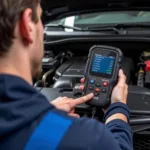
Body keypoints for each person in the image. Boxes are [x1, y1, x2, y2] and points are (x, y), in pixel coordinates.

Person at [0, 0, 133, 150]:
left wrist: (46, 112)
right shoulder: (88, 140)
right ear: (27, 25)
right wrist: (118, 108)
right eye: (40, 18)